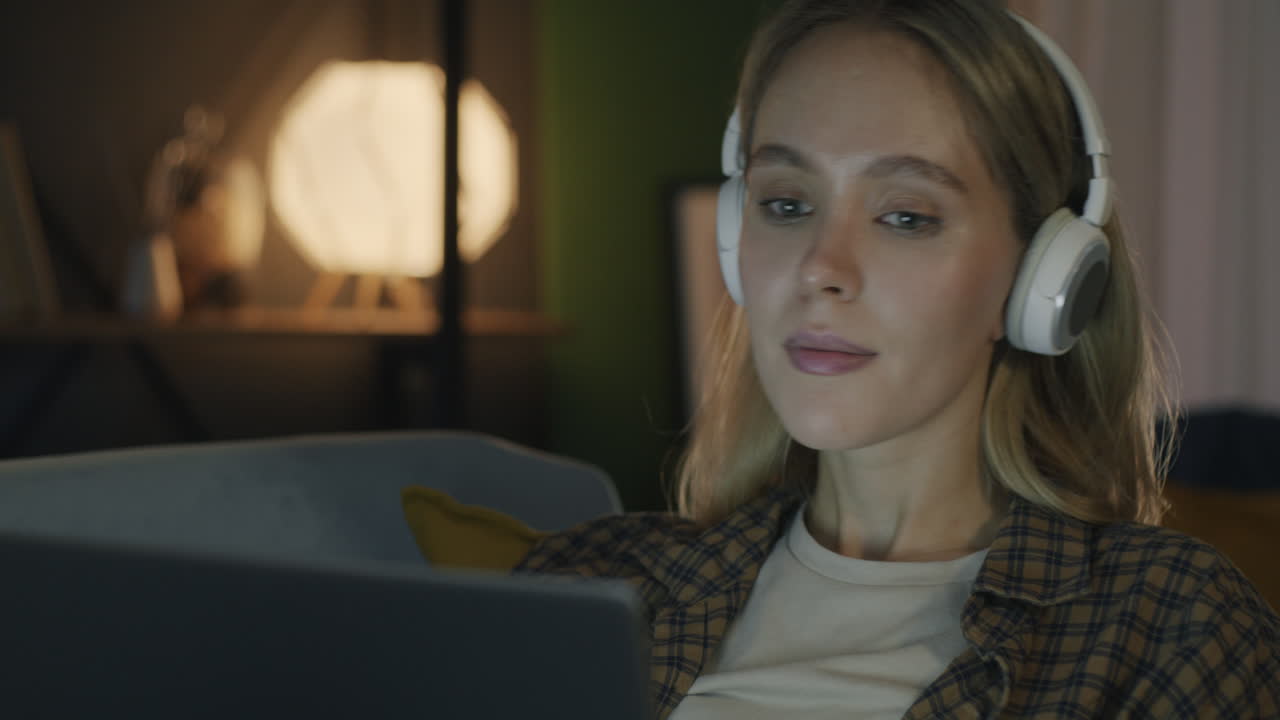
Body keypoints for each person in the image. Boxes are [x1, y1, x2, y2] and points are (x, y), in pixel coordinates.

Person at [515, 1, 1280, 717]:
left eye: (906, 216)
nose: (820, 267)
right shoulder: (589, 582)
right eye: (786, 203)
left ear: (1041, 280)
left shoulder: (1169, 624)